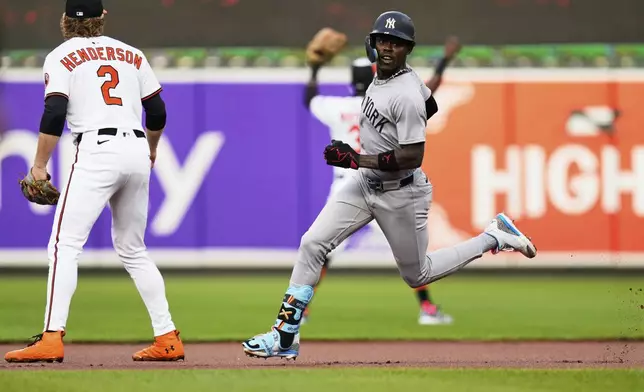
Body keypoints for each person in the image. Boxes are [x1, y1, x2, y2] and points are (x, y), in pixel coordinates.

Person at [242, 10, 536, 360]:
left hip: (401, 192)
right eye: (383, 40)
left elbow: (413, 155)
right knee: (312, 243)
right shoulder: (388, 75)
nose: (387, 47)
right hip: (365, 184)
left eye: (396, 43)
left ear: (407, 49)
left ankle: (494, 236)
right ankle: (285, 337)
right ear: (373, 43)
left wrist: (357, 159)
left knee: (417, 274)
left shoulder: (404, 94)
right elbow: (433, 103)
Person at [4, 0, 184, 363]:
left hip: (96, 149)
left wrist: (39, 165)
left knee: (64, 245)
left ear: (65, 21)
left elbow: (55, 111)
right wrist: (150, 151)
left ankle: (52, 336)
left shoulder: (61, 55)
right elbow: (158, 111)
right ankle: (167, 337)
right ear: (103, 18)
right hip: (135, 147)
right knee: (134, 250)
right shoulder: (131, 53)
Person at [301, 36, 463, 326]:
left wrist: (315, 67)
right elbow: (428, 95)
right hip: (383, 181)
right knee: (412, 254)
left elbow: (310, 98)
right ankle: (427, 309)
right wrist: (443, 61)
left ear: (352, 81)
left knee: (320, 248)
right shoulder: (385, 100)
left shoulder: (336, 106)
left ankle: (300, 311)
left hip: (345, 184)